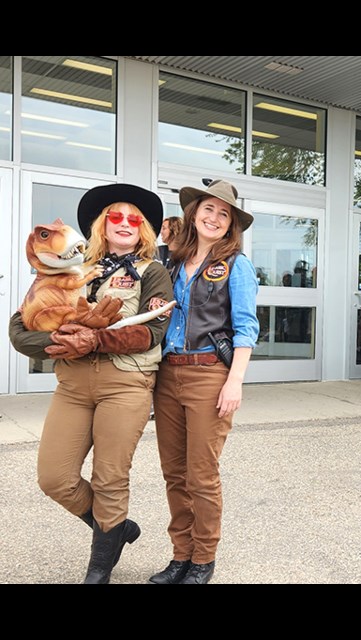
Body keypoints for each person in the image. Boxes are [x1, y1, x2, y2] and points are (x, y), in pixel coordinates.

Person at [9, 183, 173, 583]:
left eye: (133, 218)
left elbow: (152, 333)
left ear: (143, 229)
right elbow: (20, 328)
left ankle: (99, 566)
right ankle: (115, 529)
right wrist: (59, 340)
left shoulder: (154, 273)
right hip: (73, 385)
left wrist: (94, 339)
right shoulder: (69, 270)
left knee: (110, 477)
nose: (124, 223)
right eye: (115, 216)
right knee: (54, 477)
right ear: (102, 224)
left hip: (126, 383)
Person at [150, 179, 260, 585]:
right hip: (168, 373)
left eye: (224, 213)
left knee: (201, 474)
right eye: (208, 209)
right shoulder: (172, 262)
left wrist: (235, 382)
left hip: (210, 374)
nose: (214, 218)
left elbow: (247, 328)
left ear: (231, 224)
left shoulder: (236, 264)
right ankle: (180, 555)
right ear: (193, 214)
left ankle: (203, 559)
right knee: (173, 473)